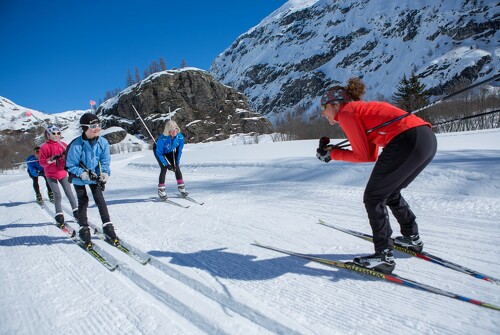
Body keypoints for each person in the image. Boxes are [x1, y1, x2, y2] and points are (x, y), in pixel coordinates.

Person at [317, 77, 437, 274]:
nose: (323, 113)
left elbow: (363, 155)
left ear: (335, 104)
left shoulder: (347, 113)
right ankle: (411, 238)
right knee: (390, 192)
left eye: (324, 107)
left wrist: (332, 154)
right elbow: (370, 154)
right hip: (426, 140)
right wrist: (333, 153)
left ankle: (383, 255)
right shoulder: (359, 110)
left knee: (374, 197)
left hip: (406, 140)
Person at [65, 113, 118, 249]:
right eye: (93, 126)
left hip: (94, 176)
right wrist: (81, 173)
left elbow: (105, 161)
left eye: (98, 125)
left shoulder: (103, 142)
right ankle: (84, 227)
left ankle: (107, 225)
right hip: (80, 178)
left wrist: (104, 173)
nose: (97, 128)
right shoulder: (76, 145)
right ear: (85, 128)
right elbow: (71, 165)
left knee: (100, 199)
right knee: (83, 201)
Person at [38, 125, 78, 227]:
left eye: (58, 133)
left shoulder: (64, 144)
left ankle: (76, 211)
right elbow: (42, 163)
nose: (56, 135)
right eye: (53, 134)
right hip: (51, 174)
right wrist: (50, 159)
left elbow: (71, 158)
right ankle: (59, 214)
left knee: (69, 192)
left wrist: (66, 156)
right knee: (57, 194)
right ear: (48, 135)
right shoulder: (44, 147)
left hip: (62, 173)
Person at [153, 120, 188, 199]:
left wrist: (177, 161)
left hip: (169, 151)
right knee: (164, 168)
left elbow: (179, 151)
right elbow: (159, 153)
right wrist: (166, 164)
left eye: (175, 129)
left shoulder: (180, 137)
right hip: (159, 151)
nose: (174, 131)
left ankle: (181, 188)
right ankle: (161, 190)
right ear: (168, 130)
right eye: (172, 130)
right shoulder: (162, 139)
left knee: (176, 166)